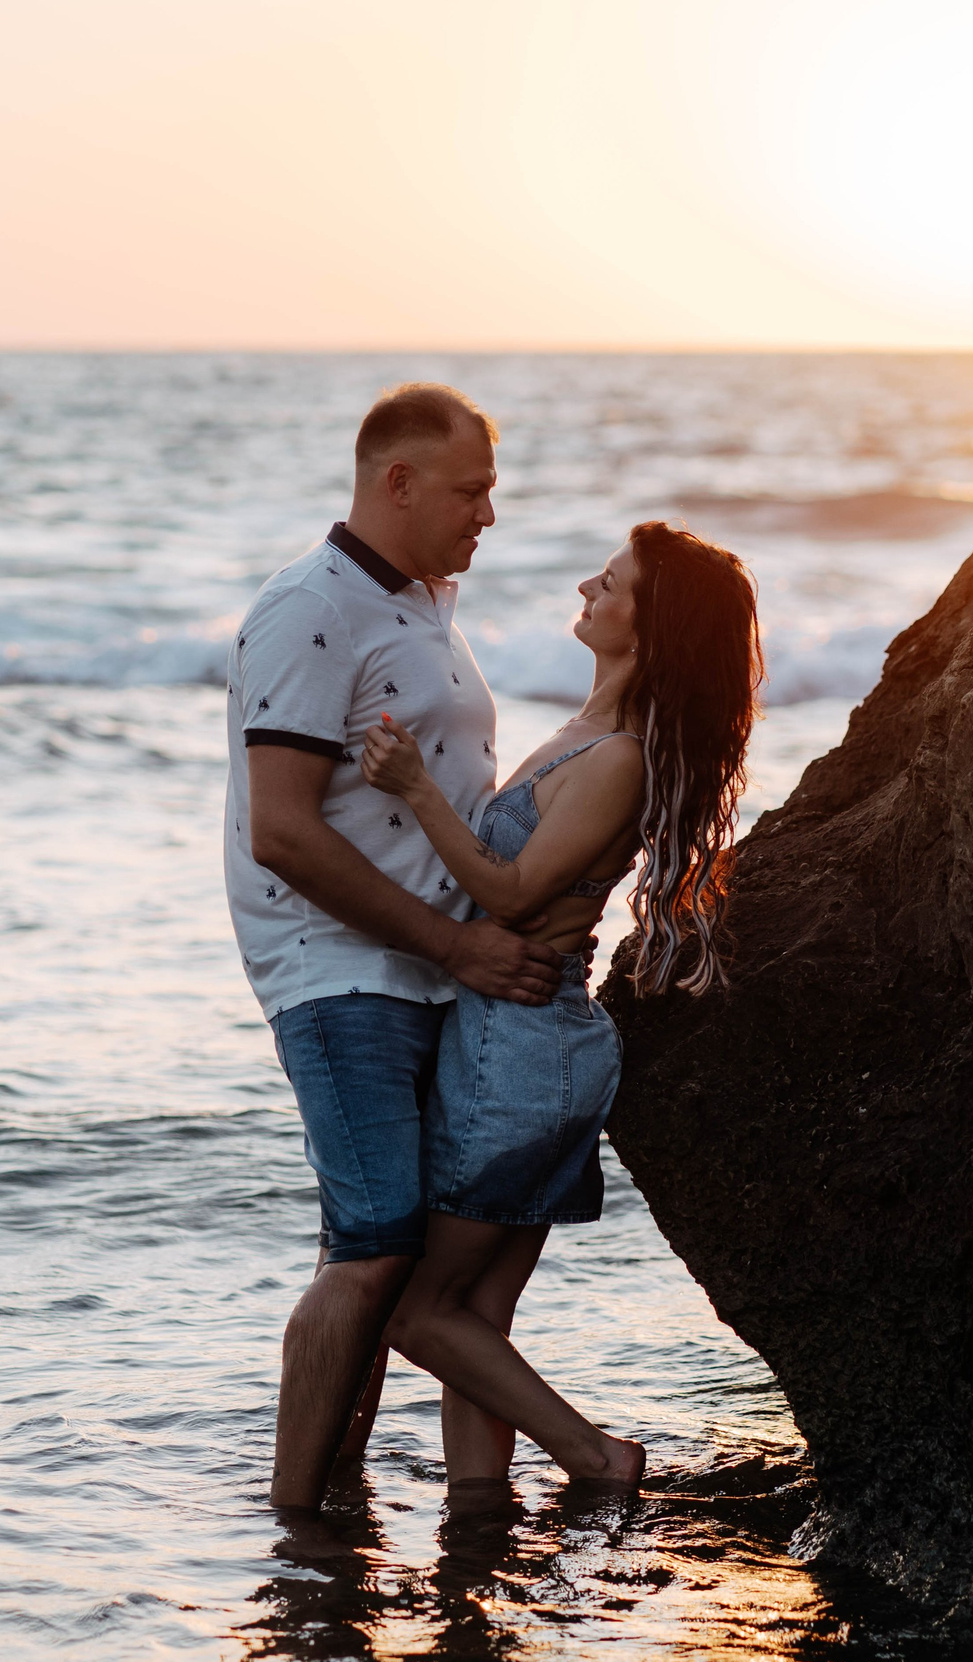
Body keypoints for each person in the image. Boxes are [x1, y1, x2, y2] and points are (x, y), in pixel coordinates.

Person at [358, 520, 762, 1491]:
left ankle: (595, 1456)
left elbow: (512, 894)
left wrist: (416, 787)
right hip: (525, 1043)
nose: (587, 584)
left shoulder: (617, 756)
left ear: (650, 625)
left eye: (612, 582)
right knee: (475, 1323)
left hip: (521, 1050)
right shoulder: (586, 734)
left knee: (416, 1311)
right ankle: (477, 1520)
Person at [226, 383, 565, 1512]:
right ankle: (295, 1522)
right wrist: (456, 949)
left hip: (423, 969)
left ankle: (338, 1497)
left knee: (385, 1251)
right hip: (340, 967)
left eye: (493, 492)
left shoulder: (427, 602)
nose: (487, 514)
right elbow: (280, 828)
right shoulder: (310, 606)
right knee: (372, 1248)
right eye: (471, 491)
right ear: (397, 481)